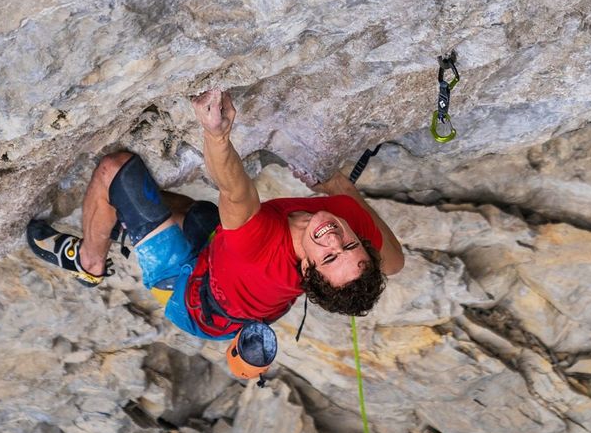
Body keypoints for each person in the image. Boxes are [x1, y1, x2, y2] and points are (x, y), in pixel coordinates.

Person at [27, 89, 404, 341]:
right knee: (202, 215)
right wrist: (345, 190)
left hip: (192, 298)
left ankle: (90, 264)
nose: (336, 238)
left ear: (308, 270)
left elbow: (235, 189)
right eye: (350, 245)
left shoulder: (259, 249)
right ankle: (129, 226)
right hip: (229, 284)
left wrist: (217, 134)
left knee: (115, 170)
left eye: (329, 256)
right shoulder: (351, 226)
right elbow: (395, 262)